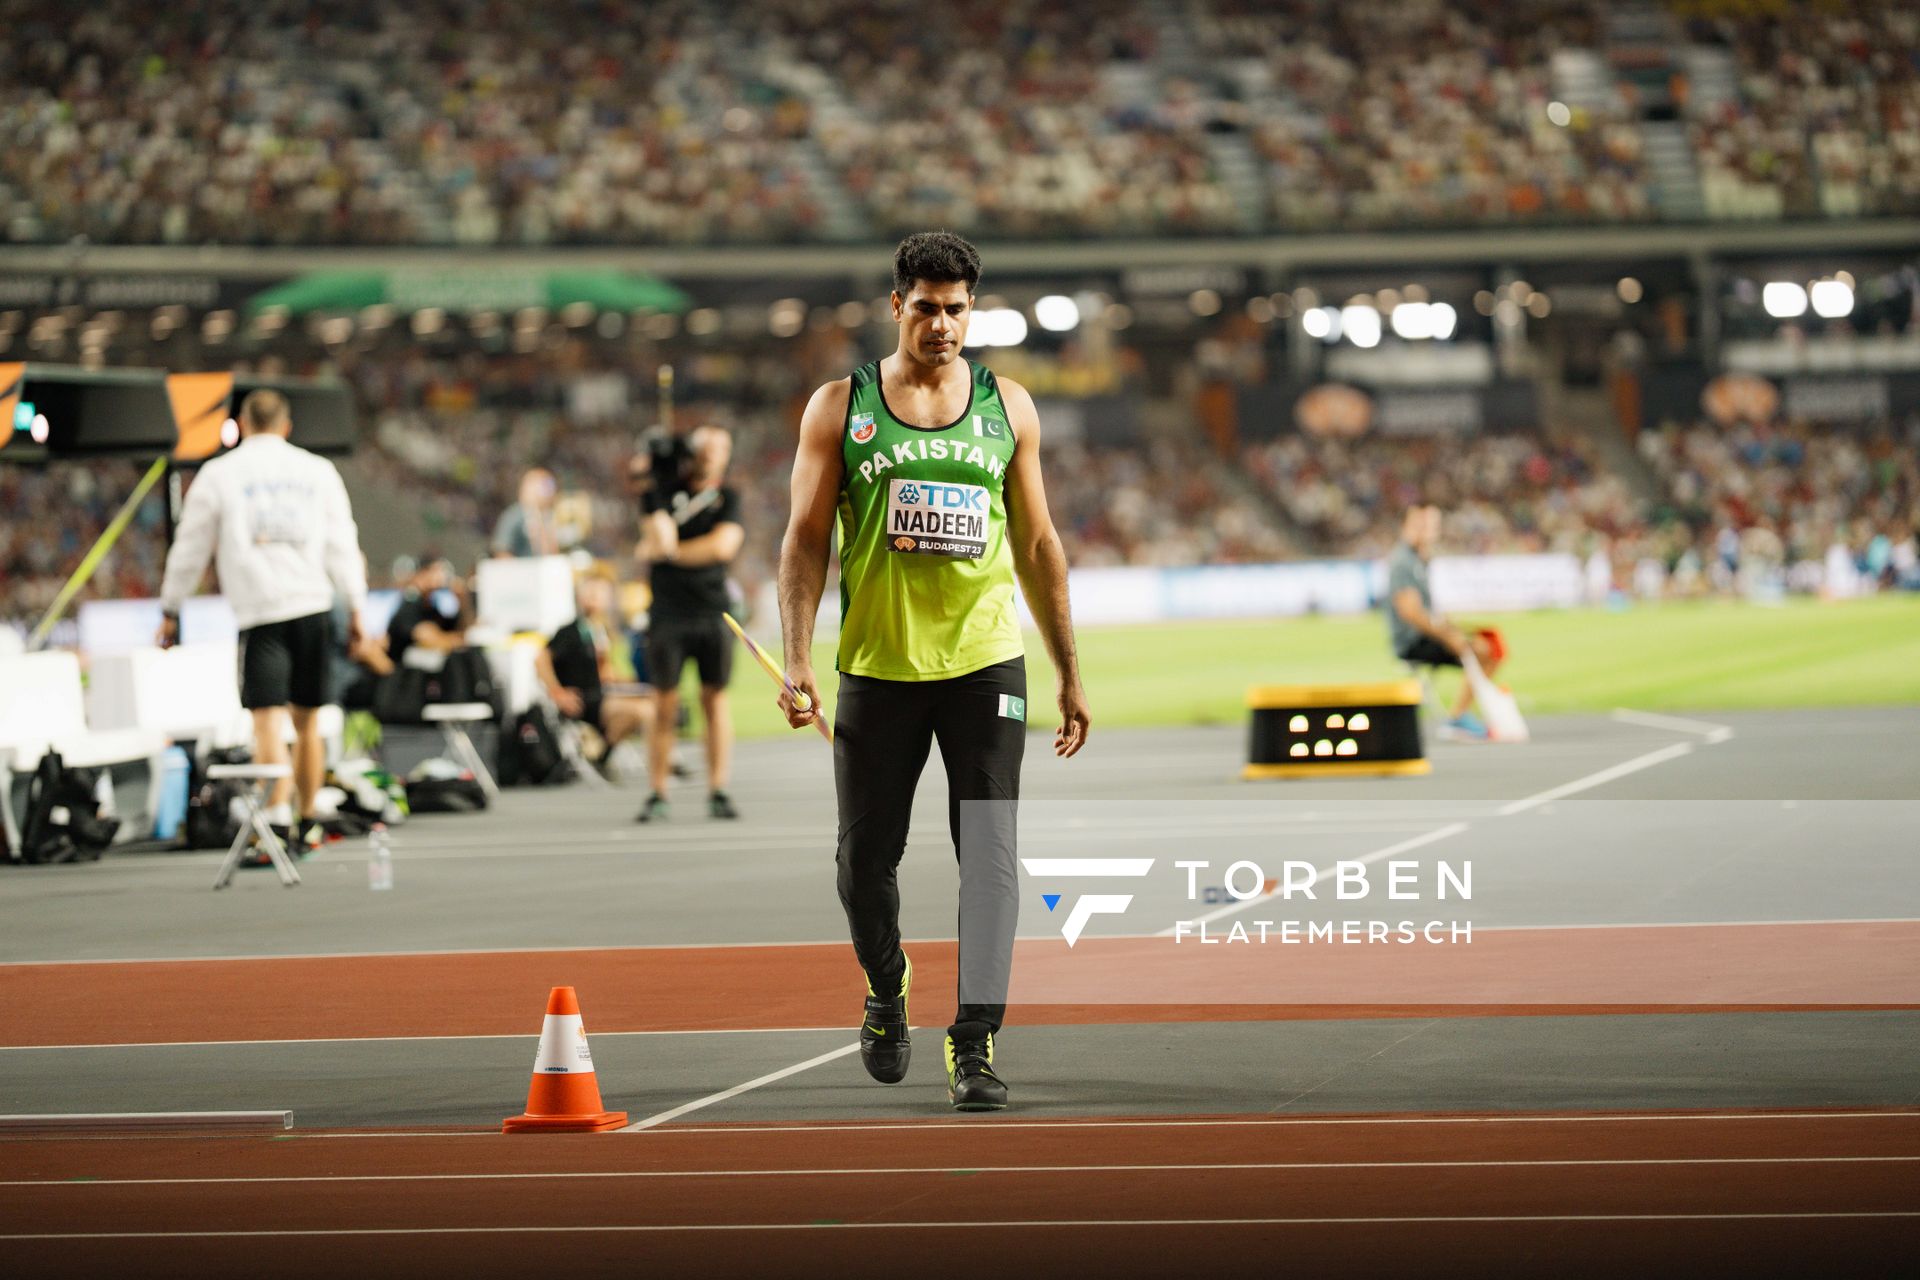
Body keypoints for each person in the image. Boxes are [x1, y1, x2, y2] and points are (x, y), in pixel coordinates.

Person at [776, 230, 1090, 1112]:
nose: (942, 324)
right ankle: (887, 986)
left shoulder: (1008, 406)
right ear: (896, 306)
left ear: (971, 310)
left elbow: (1038, 545)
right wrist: (797, 656)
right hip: (878, 669)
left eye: (956, 309)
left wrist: (1068, 670)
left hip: (985, 666)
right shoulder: (839, 407)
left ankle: (976, 1039)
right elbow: (804, 541)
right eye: (926, 308)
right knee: (862, 864)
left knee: (990, 860)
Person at [158, 389, 367, 849]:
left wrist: (171, 607)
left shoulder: (220, 473)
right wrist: (356, 606)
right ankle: (308, 818)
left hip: (261, 613)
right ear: (286, 426)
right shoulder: (318, 471)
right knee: (308, 723)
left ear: (240, 425)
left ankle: (276, 819)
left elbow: (190, 546)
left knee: (267, 722)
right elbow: (342, 543)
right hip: (312, 606)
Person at [635, 425, 744, 822]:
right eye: (706, 447)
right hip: (668, 613)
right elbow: (658, 539)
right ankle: (657, 791)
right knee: (663, 704)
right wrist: (655, 474)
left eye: (721, 448)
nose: (713, 455)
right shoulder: (660, 492)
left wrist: (668, 553)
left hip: (714, 611)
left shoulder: (728, 497)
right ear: (691, 452)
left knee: (714, 700)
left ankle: (718, 789)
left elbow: (722, 547)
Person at [1385, 504, 1506, 740]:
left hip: (1425, 634)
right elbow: (1411, 613)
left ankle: (1460, 715)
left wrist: (1450, 626)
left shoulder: (1419, 559)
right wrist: (1448, 635)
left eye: (1432, 524)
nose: (1429, 530)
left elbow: (1424, 611)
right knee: (1482, 650)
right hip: (1412, 641)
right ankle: (1458, 716)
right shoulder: (1403, 561)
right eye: (1422, 524)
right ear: (1407, 525)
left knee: (1491, 647)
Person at [537, 574, 654, 765]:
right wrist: (557, 692)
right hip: (583, 700)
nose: (596, 598)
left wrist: (623, 681)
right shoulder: (570, 631)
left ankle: (602, 750)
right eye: (591, 593)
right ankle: (608, 754)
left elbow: (602, 672)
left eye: (600, 594)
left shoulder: (598, 630)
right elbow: (541, 659)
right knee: (644, 710)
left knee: (653, 700)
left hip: (600, 694)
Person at [386, 557, 467, 670]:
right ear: (422, 573)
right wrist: (452, 641)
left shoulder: (431, 606)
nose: (442, 576)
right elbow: (426, 637)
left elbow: (458, 630)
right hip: (403, 672)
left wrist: (462, 600)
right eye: (436, 571)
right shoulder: (410, 602)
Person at [491, 468, 561, 558]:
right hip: (523, 565)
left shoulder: (551, 515)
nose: (549, 492)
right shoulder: (515, 515)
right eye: (544, 487)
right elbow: (502, 549)